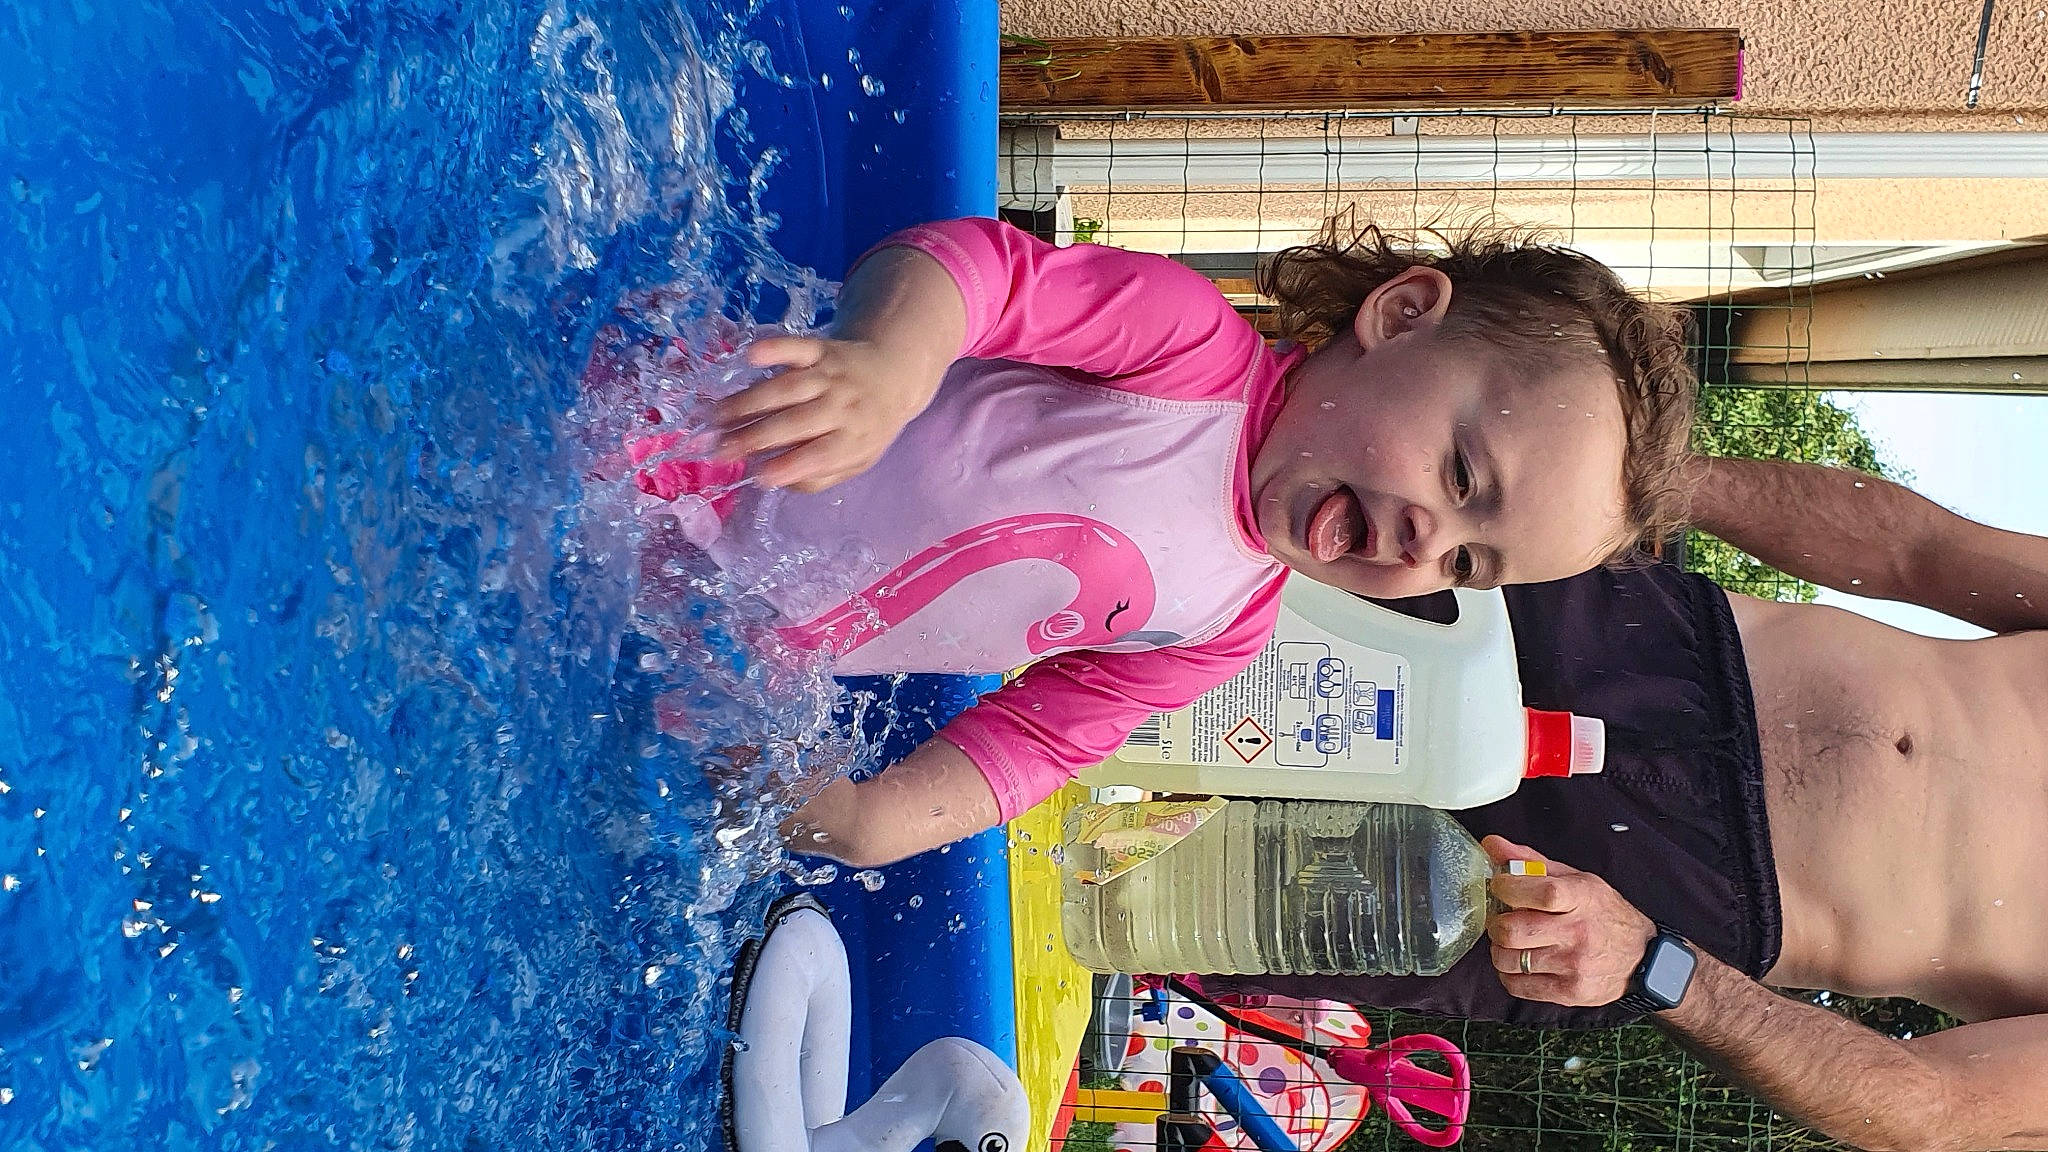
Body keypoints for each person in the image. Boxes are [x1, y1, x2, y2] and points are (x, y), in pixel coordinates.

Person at [593, 214, 1697, 866]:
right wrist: (888, 365)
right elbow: (975, 269)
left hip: (690, 637)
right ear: (1400, 316)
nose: (1424, 540)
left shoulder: (1220, 631)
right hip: (650, 438)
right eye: (1461, 476)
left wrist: (877, 819)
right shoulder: (1182, 351)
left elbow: (1040, 741)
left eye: (1464, 565)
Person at [1223, 456, 2048, 1152]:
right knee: (1247, 561)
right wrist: (1657, 477)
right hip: (1652, 643)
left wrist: (1659, 969)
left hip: (1654, 890)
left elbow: (1934, 1108)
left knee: (1179, 875)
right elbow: (1920, 550)